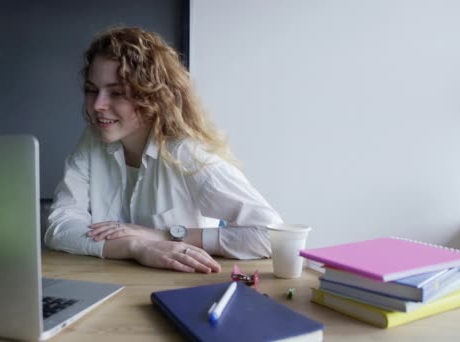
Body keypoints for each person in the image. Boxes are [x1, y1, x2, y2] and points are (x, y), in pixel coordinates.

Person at [45, 27, 282, 274]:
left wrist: (164, 236)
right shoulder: (92, 140)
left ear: (152, 96)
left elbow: (270, 235)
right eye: (91, 90)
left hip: (181, 285)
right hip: (113, 281)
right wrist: (136, 247)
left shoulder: (185, 152)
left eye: (116, 93)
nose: (98, 105)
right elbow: (60, 227)